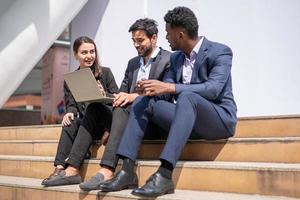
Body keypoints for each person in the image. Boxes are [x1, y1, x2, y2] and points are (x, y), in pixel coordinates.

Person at [99, 6, 237, 198]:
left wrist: (169, 88)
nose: (165, 37)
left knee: (188, 96)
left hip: (218, 119)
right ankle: (127, 170)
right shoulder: (176, 58)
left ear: (180, 34)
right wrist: (149, 89)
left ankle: (164, 174)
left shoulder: (220, 51)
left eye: (168, 33)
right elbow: (167, 90)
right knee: (143, 101)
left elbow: (213, 89)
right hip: (185, 119)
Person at [78, 18, 171, 191]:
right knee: (96, 107)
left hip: (151, 122)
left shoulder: (168, 60)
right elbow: (121, 94)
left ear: (154, 38)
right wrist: (104, 96)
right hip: (127, 119)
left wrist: (134, 97)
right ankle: (72, 168)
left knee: (125, 105)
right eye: (133, 41)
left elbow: (166, 98)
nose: (136, 45)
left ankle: (107, 170)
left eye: (140, 40)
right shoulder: (133, 63)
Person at [41, 36, 119, 186]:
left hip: (105, 122)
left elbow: (117, 98)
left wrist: (105, 95)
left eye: (92, 51)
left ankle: (69, 167)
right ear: (76, 55)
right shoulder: (71, 79)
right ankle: (59, 168)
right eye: (84, 52)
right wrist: (69, 112)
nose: (89, 56)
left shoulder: (106, 73)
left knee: (94, 107)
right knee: (69, 121)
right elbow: (71, 104)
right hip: (86, 125)